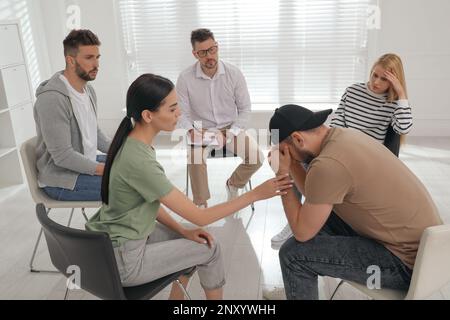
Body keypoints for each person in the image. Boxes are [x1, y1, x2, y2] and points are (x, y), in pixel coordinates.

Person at [86, 74, 292, 300]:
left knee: (197, 239)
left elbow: (151, 202)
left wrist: (183, 231)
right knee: (210, 249)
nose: (179, 114)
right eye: (173, 109)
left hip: (116, 243)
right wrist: (254, 194)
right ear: (148, 115)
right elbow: (201, 216)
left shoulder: (132, 144)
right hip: (125, 259)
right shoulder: (139, 160)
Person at [264, 104, 441, 300]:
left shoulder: (328, 165)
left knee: (292, 256)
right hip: (426, 252)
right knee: (316, 217)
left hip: (405, 265)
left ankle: (296, 280)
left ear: (298, 139)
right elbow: (314, 193)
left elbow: (302, 232)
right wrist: (293, 163)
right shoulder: (342, 136)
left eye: (283, 151)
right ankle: (296, 288)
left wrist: (282, 174)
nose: (283, 156)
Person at [271, 53, 414, 248]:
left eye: (384, 79)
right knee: (299, 159)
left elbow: (403, 128)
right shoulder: (353, 91)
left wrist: (401, 94)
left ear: (394, 81)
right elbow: (338, 123)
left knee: (313, 170)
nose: (376, 82)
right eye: (374, 75)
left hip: (364, 156)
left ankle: (307, 221)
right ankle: (299, 219)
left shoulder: (393, 105)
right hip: (340, 144)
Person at [176, 28, 264, 208]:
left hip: (231, 127)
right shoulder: (185, 78)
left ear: (217, 47)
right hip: (201, 129)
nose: (209, 56)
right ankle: (201, 205)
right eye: (203, 52)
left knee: (257, 157)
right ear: (195, 54)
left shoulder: (234, 74)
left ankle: (233, 184)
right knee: (195, 158)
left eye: (212, 50)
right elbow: (181, 114)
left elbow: (245, 110)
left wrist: (228, 134)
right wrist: (191, 130)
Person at [33, 29, 111, 201]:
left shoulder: (88, 90)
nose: (96, 64)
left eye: (97, 57)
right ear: (71, 60)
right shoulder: (52, 99)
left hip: (85, 161)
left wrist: (122, 150)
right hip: (61, 179)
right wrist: (108, 169)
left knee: (139, 170)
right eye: (89, 58)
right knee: (131, 187)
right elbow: (62, 156)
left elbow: (94, 133)